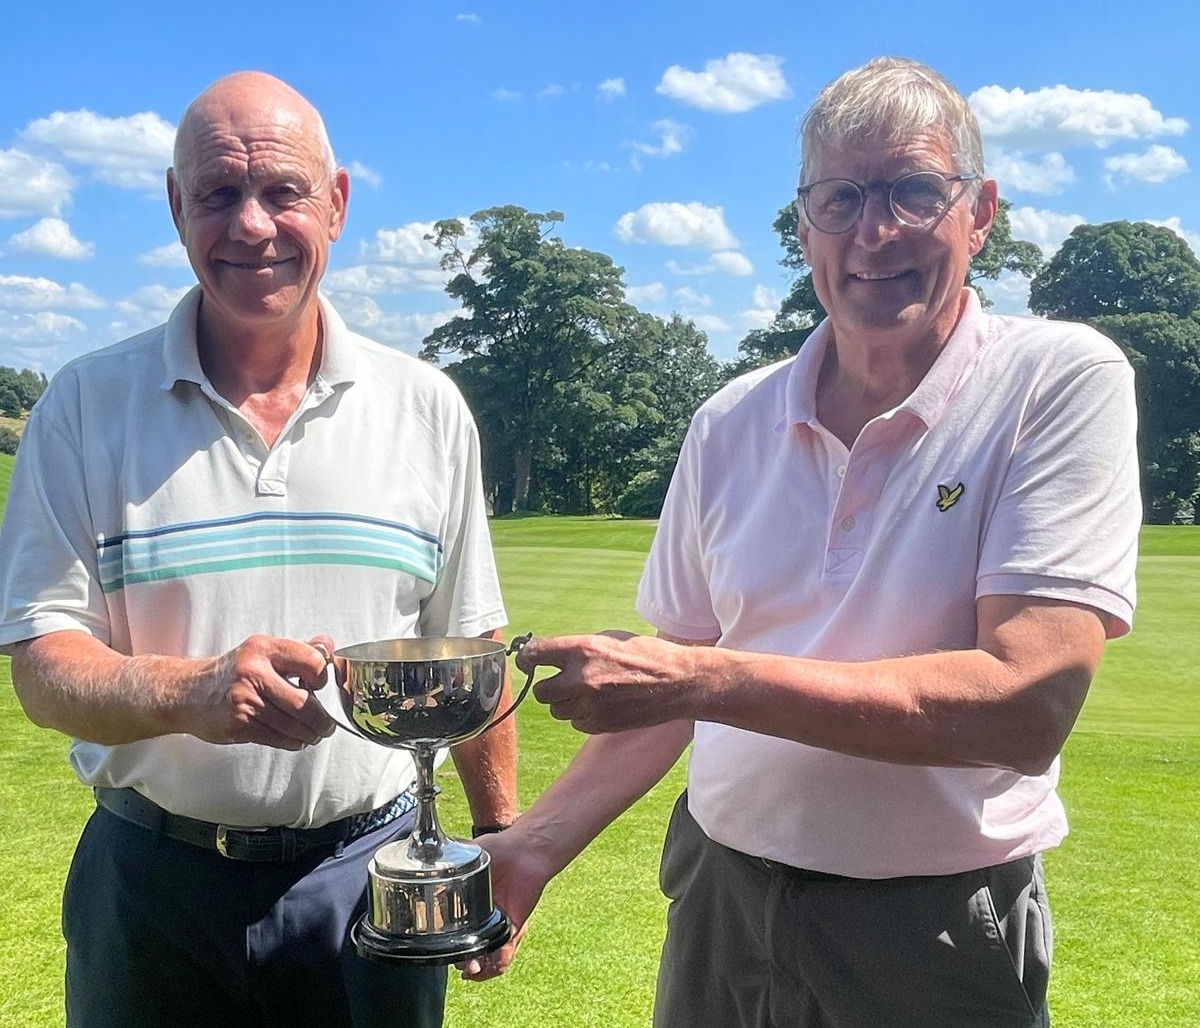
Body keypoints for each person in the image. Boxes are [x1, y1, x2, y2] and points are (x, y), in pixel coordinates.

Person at [464, 57, 1141, 1028]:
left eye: (914, 190)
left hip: (932, 924)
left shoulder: (1058, 381)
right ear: (804, 224)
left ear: (980, 210)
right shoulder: (730, 419)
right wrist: (534, 844)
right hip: (719, 894)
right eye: (842, 198)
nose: (876, 232)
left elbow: (1024, 703)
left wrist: (708, 679)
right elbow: (668, 694)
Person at [0, 72, 517, 1028]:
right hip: (151, 886)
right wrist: (191, 692)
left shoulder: (424, 408)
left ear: (337, 201)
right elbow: (42, 668)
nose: (251, 226)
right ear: (173, 206)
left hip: (373, 879)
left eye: (281, 191)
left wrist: (498, 838)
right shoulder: (82, 406)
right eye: (217, 194)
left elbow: (471, 644)